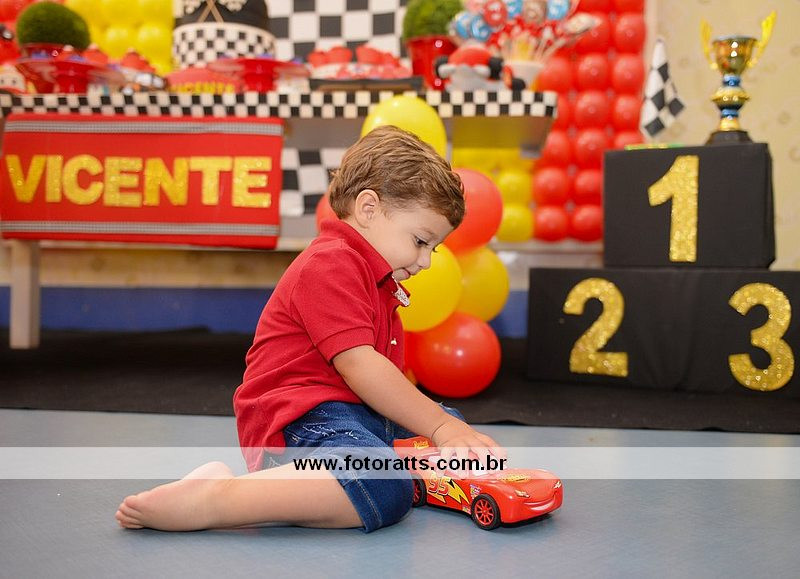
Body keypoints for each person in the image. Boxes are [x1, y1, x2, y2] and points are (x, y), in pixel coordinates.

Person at [115, 125, 505, 533]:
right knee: (383, 483)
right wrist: (439, 427)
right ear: (368, 209)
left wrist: (444, 424)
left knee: (446, 427)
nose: (426, 261)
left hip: (352, 413)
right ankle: (217, 499)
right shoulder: (331, 263)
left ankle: (376, 471)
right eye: (421, 241)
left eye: (434, 248)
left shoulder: (376, 276)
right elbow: (361, 367)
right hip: (300, 420)